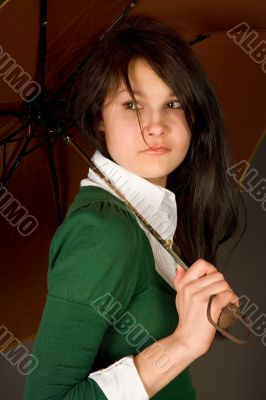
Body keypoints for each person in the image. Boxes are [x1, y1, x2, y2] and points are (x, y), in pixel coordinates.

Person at [23, 14, 245, 400]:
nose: (156, 125)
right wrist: (182, 344)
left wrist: (210, 311)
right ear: (99, 117)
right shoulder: (102, 232)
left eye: (172, 102)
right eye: (132, 105)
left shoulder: (153, 214)